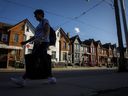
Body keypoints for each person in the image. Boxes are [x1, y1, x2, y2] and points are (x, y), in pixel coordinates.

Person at [11, 9, 56, 87]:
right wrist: (26, 42)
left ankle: (23, 79)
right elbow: (35, 36)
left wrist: (41, 40)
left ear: (40, 14)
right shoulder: (38, 25)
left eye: (36, 15)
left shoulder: (45, 21)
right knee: (44, 62)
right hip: (39, 43)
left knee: (33, 60)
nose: (35, 17)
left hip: (43, 43)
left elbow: (47, 32)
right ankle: (51, 78)